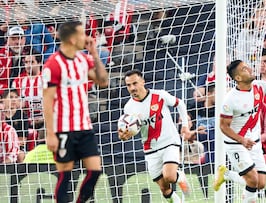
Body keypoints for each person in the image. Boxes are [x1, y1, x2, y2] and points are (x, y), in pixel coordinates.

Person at [42, 21, 108, 203]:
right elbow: (47, 100)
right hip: (63, 129)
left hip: (84, 127)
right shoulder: (53, 65)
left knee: (95, 170)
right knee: (65, 175)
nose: (86, 37)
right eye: (82, 34)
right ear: (72, 39)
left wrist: (94, 53)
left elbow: (103, 81)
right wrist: (50, 133)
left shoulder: (83, 60)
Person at [213, 59, 266, 202]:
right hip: (236, 145)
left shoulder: (258, 87)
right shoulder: (230, 99)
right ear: (238, 78)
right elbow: (223, 126)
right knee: (252, 180)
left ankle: (227, 174)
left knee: (261, 183)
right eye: (244, 69)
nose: (249, 69)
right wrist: (242, 140)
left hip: (255, 143)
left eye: (247, 66)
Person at [118, 69, 192, 203]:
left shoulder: (159, 95)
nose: (132, 88)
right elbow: (131, 129)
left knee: (169, 176)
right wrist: (125, 135)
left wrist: (185, 125)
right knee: (165, 189)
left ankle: (180, 177)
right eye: (128, 85)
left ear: (143, 82)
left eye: (135, 83)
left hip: (169, 142)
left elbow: (179, 103)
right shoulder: (128, 108)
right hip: (150, 148)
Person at [12, 50, 44, 144]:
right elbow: (14, 103)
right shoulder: (18, 81)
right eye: (26, 62)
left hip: (45, 121)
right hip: (25, 123)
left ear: (39, 63)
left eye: (31, 62)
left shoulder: (47, 79)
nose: (28, 65)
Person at [0, 26, 29, 94]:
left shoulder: (32, 54)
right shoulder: (1, 56)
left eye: (20, 38)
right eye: (13, 39)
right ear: (7, 40)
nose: (17, 42)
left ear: (24, 40)